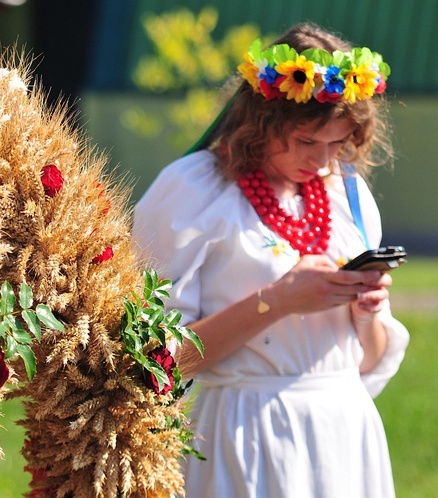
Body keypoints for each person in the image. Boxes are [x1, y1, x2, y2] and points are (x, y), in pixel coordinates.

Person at [132, 22, 410, 498]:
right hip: (244, 433)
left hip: (343, 433)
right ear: (260, 121)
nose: (323, 162)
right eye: (306, 142)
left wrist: (366, 314)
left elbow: (372, 359)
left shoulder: (348, 195)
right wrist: (276, 301)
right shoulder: (193, 189)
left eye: (337, 144)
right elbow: (157, 363)